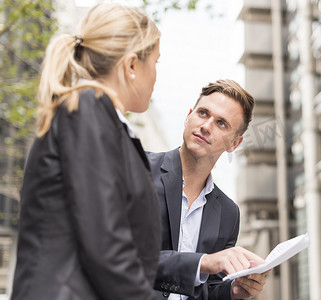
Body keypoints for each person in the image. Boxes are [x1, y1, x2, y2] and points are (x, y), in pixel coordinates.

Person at [11, 3, 162, 300]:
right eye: (156, 62)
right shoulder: (86, 108)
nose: (156, 75)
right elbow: (106, 240)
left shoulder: (97, 115)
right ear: (132, 65)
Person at [147, 80, 269, 300]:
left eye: (221, 123)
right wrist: (204, 263)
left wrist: (232, 291)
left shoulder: (228, 213)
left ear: (234, 144)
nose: (206, 126)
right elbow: (122, 257)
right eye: (203, 113)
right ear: (188, 116)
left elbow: (208, 290)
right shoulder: (139, 170)